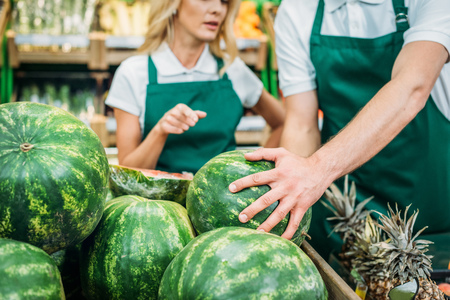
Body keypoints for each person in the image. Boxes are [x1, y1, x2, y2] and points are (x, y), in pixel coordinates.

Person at [229, 0, 450, 265]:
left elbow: (412, 86)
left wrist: (315, 170)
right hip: (346, 217)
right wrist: (284, 209)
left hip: (430, 213)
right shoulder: (298, 10)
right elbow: (302, 124)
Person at [105, 0, 285, 174]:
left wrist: (256, 174)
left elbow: (283, 122)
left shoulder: (232, 70)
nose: (217, 9)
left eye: (224, 1)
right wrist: (160, 131)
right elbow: (128, 171)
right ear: (174, 4)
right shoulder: (134, 73)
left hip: (221, 201)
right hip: (159, 204)